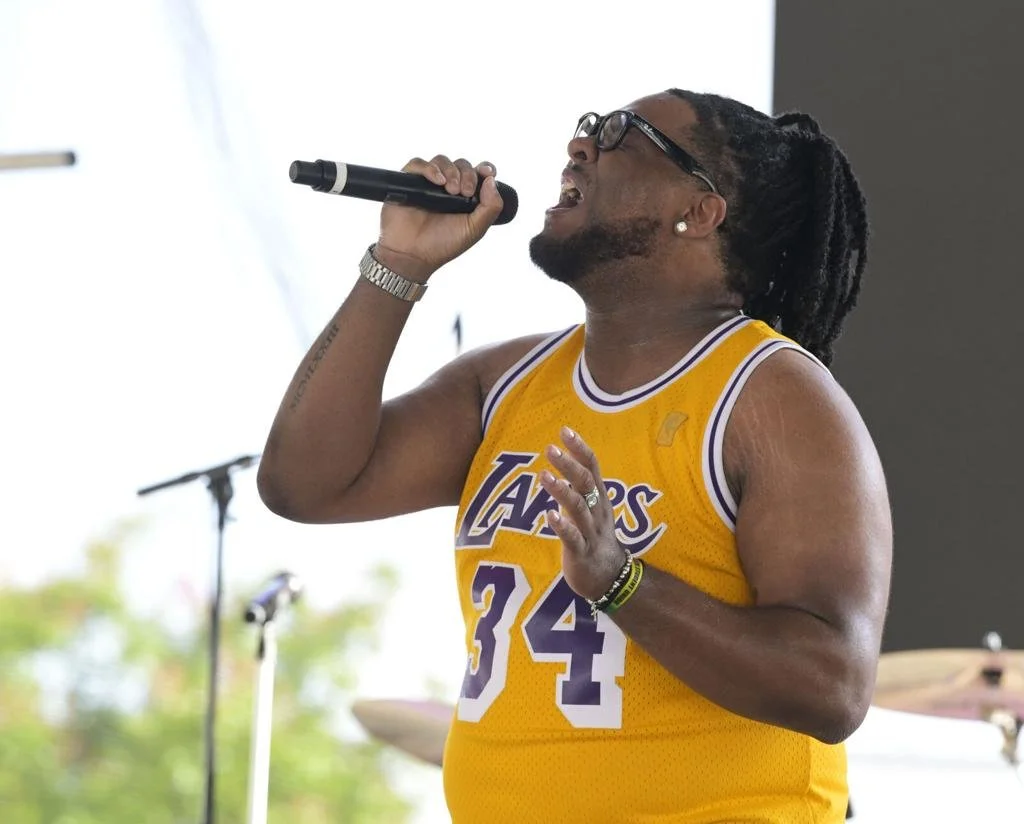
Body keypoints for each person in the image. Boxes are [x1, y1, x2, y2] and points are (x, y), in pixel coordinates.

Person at [257, 88, 893, 823]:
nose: (581, 144)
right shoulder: (504, 386)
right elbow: (304, 485)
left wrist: (624, 584)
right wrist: (397, 265)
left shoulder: (774, 397)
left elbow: (832, 684)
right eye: (591, 125)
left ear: (700, 210)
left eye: (623, 134)